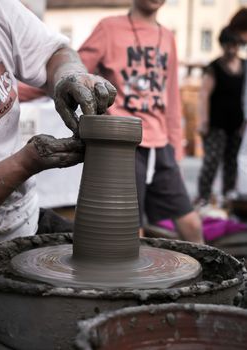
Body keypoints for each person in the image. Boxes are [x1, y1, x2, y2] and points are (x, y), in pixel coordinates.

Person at [0, 0, 116, 244]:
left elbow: (54, 54)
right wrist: (26, 163)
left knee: (110, 255)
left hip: (25, 219)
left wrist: (69, 75)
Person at [78, 0, 203, 243]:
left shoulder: (167, 37)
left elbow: (172, 96)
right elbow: (74, 74)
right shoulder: (109, 28)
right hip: (123, 143)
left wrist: (176, 146)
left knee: (191, 224)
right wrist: (24, 89)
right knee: (130, 231)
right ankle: (133, 281)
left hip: (161, 145)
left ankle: (212, 278)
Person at [196, 26, 244, 208]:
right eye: (227, 45)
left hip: (237, 124)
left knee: (232, 162)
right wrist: (203, 121)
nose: (231, 50)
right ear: (222, 45)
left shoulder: (245, 66)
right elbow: (203, 95)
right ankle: (203, 196)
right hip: (216, 124)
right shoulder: (214, 67)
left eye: (234, 45)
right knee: (211, 161)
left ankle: (227, 197)